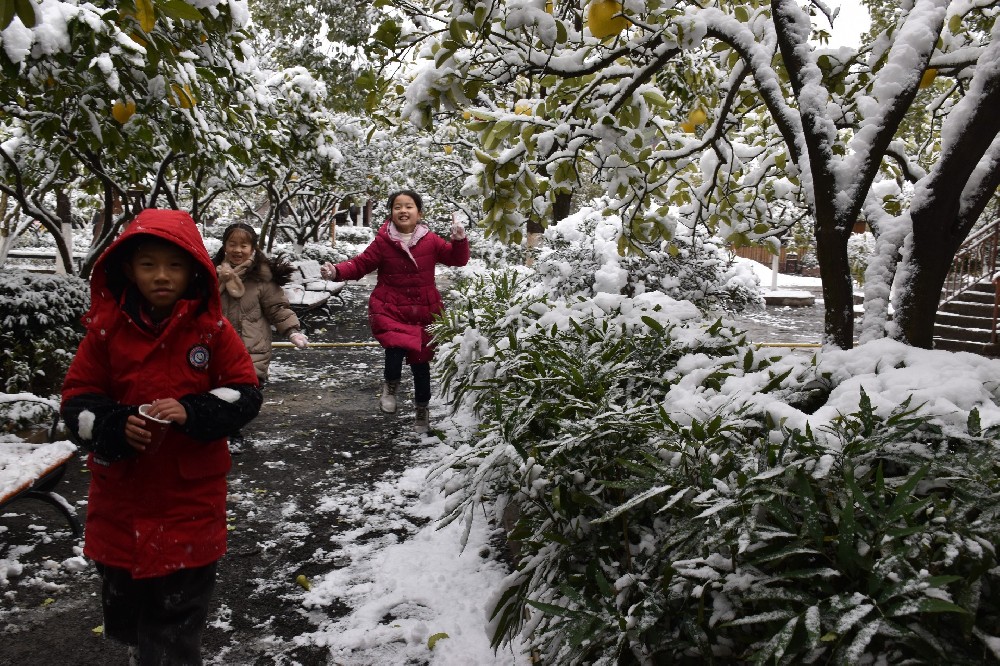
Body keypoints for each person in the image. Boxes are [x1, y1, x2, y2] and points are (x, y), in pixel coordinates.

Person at [60, 208, 263, 665]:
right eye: (149, 264)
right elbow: (77, 397)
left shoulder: (211, 331)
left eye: (173, 265)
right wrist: (113, 425)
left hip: (188, 503)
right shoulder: (106, 331)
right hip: (122, 503)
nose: (162, 276)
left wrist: (193, 410)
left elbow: (245, 393)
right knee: (131, 612)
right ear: (128, 269)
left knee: (174, 625)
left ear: (193, 269)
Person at [320, 190, 469, 433]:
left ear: (419, 213)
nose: (403, 210)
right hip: (391, 307)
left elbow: (457, 259)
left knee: (422, 365)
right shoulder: (383, 242)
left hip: (423, 311)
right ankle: (390, 387)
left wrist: (460, 240)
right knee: (394, 346)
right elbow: (360, 264)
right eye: (397, 206)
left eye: (409, 206)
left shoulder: (430, 240)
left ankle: (422, 409)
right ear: (391, 212)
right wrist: (336, 271)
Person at [213, 222, 307, 449]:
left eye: (243, 245)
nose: (237, 250)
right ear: (224, 246)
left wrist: (292, 331)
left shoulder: (262, 277)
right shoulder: (210, 273)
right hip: (216, 346)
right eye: (232, 244)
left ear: (253, 248)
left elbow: (277, 308)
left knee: (244, 396)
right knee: (217, 393)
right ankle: (225, 435)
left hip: (251, 348)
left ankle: (232, 431)